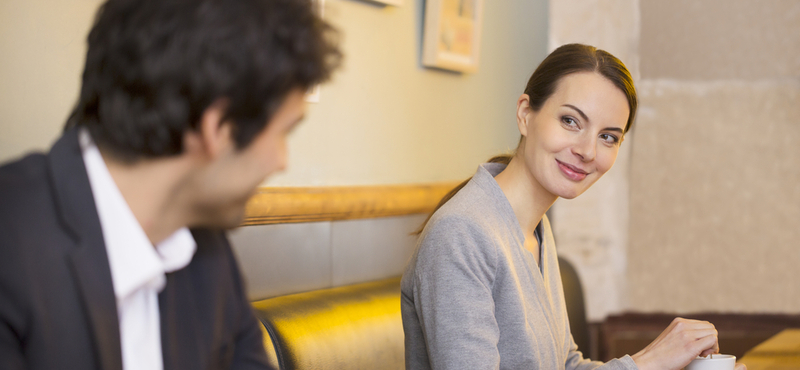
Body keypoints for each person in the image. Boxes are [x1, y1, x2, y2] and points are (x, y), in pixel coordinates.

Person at [0, 0, 340, 369]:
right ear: (218, 128)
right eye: (284, 132)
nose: (282, 161)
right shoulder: (12, 245)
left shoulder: (208, 254)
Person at [401, 44, 745, 370]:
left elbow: (565, 365)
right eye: (570, 121)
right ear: (525, 114)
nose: (588, 151)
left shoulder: (534, 228)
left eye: (608, 136)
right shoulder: (462, 233)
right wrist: (646, 362)